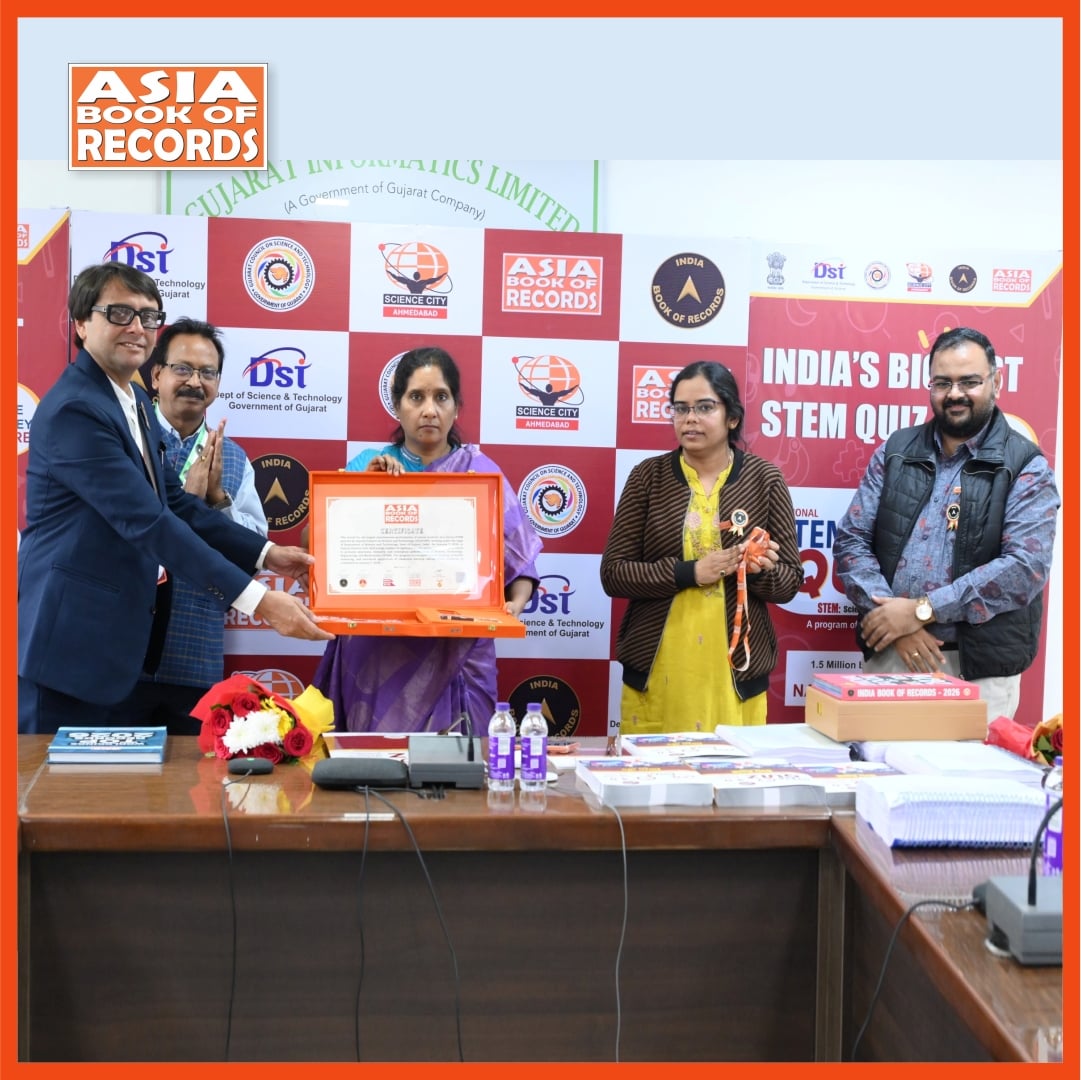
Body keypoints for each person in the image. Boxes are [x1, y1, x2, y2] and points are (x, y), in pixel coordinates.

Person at [17, 264, 332, 735]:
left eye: (148, 316)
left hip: (114, 648)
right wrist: (261, 602)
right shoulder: (77, 408)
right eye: (119, 313)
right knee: (59, 781)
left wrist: (268, 554)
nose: (136, 327)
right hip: (70, 648)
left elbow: (174, 502)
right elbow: (149, 522)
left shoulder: (132, 401)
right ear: (81, 324)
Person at [833, 327, 1060, 722]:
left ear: (996, 382)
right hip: (893, 655)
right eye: (942, 383)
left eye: (969, 381)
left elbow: (1025, 568)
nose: (955, 394)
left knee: (971, 766)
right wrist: (898, 623)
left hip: (979, 672)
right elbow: (851, 540)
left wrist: (923, 611)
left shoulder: (1026, 465)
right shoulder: (896, 451)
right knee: (880, 762)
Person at [312, 346, 542, 732]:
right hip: (377, 653)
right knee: (377, 760)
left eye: (441, 397)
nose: (429, 410)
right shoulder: (367, 465)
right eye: (416, 397)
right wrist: (363, 490)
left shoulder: (480, 474)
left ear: (456, 407)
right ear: (397, 406)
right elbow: (313, 543)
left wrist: (515, 604)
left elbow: (519, 559)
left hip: (458, 649)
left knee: (459, 760)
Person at [600, 361, 803, 733]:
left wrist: (756, 571)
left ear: (732, 418)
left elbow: (789, 582)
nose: (690, 418)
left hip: (734, 675)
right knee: (656, 769)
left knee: (729, 768)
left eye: (705, 407)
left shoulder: (765, 479)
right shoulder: (648, 477)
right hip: (660, 669)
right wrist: (691, 572)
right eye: (680, 409)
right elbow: (614, 573)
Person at [121, 317, 269, 733]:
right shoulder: (124, 439)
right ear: (156, 375)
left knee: (191, 772)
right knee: (112, 770)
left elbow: (254, 552)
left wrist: (218, 502)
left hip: (195, 648)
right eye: (182, 369)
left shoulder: (233, 457)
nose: (194, 382)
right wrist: (183, 500)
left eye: (207, 372)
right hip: (121, 648)